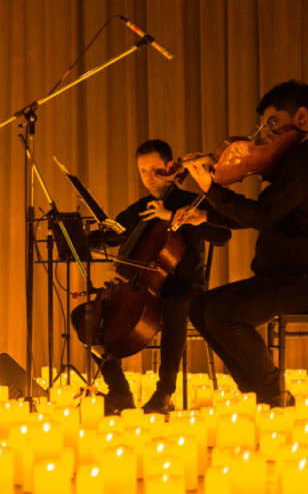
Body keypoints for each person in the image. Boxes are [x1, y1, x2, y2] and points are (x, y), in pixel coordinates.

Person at [175, 81, 308, 407]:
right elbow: (263, 214)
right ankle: (260, 394)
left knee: (226, 314)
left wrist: (211, 188)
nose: (264, 135)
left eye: (272, 123)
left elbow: (263, 214)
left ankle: (273, 396)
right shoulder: (296, 161)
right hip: (287, 278)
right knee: (199, 307)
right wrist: (205, 215)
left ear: (301, 117)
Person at [71, 139, 231, 414]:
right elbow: (113, 235)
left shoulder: (190, 202)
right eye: (142, 171)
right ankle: (120, 392)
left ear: (170, 166)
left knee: (173, 308)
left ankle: (164, 393)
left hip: (185, 289)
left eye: (154, 169)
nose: (148, 177)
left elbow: (222, 234)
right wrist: (77, 238)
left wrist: (174, 217)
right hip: (140, 290)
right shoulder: (141, 208)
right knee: (85, 316)